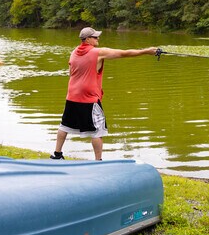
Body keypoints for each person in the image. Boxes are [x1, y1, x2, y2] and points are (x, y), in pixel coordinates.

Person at [50, 27, 157, 161]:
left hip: (72, 96)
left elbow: (71, 72)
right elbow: (124, 53)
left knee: (64, 125)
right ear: (87, 39)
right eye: (95, 37)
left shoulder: (73, 53)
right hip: (89, 99)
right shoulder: (98, 52)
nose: (98, 38)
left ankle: (57, 154)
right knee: (97, 131)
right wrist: (146, 51)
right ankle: (98, 161)